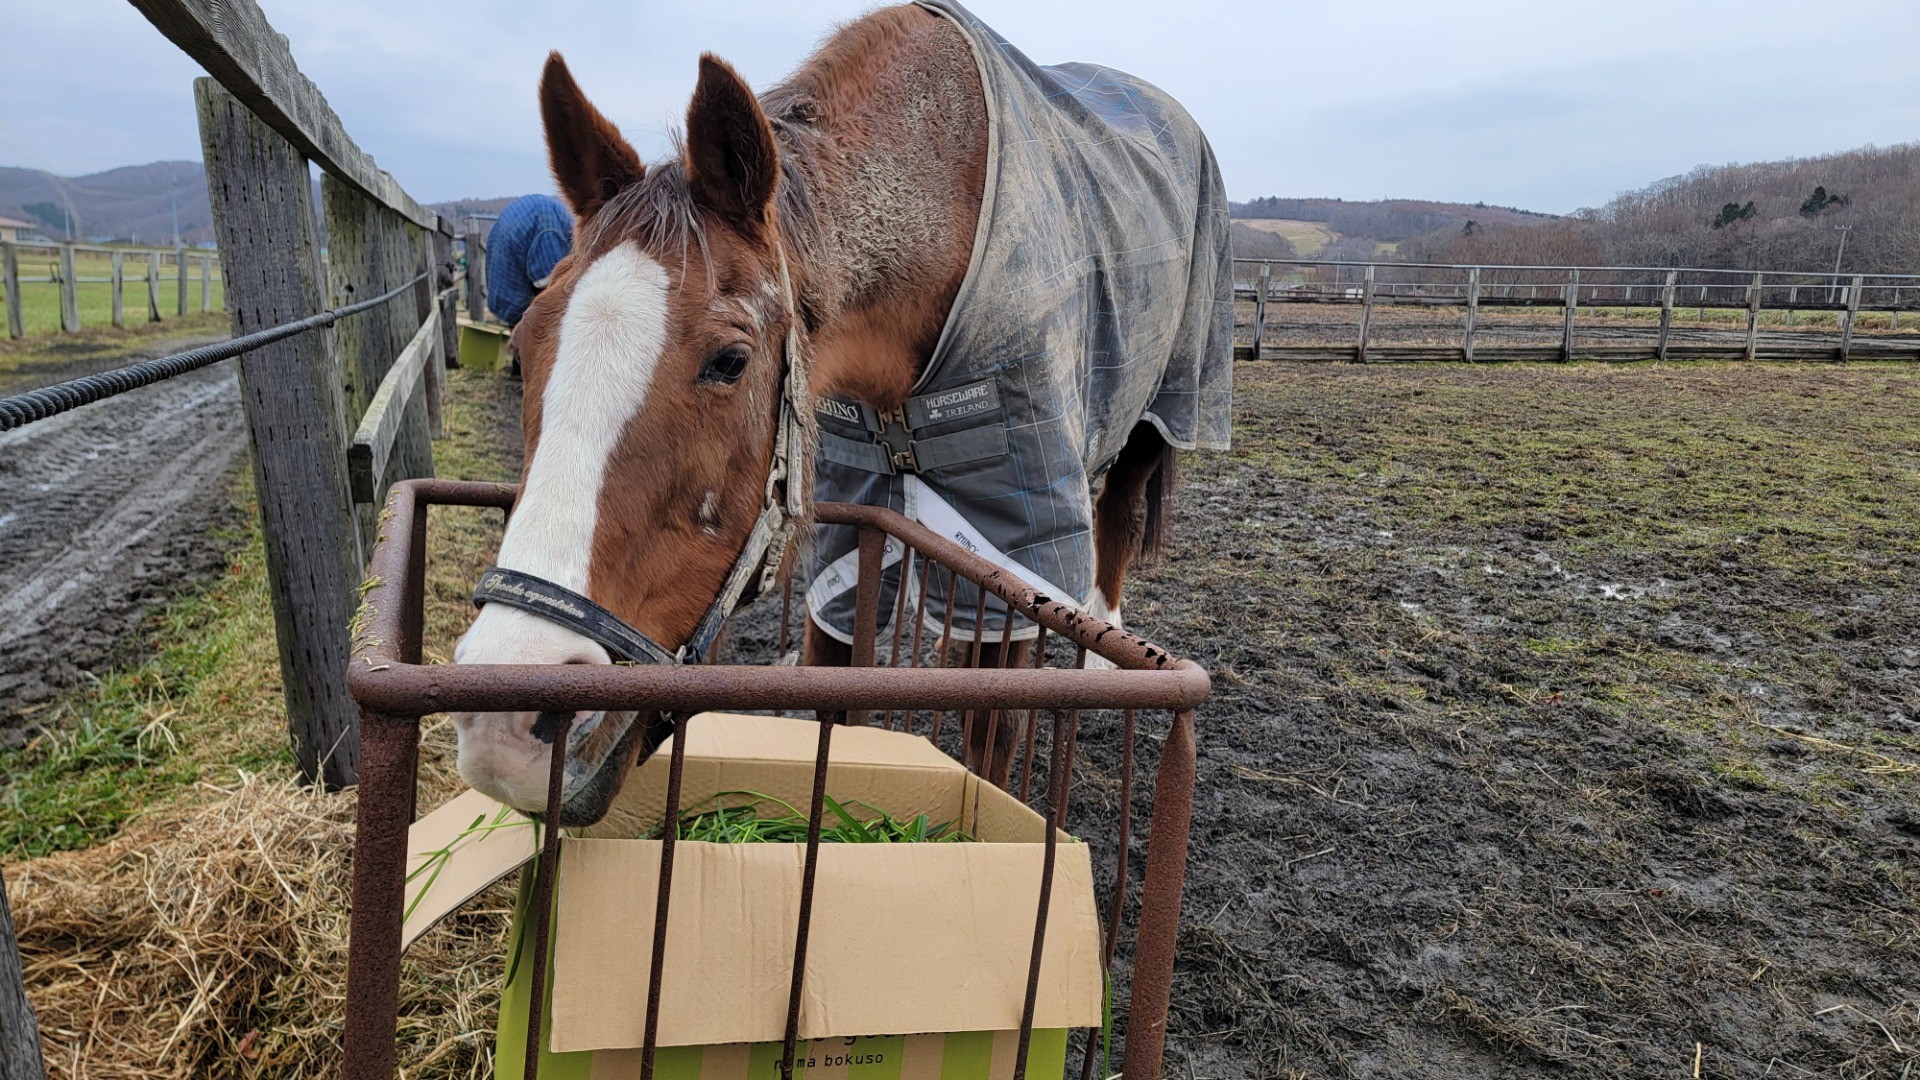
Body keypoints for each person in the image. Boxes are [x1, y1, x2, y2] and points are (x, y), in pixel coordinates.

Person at [485, 193, 574, 329]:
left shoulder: (543, 215)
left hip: (504, 299)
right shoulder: (547, 228)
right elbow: (553, 290)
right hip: (521, 312)